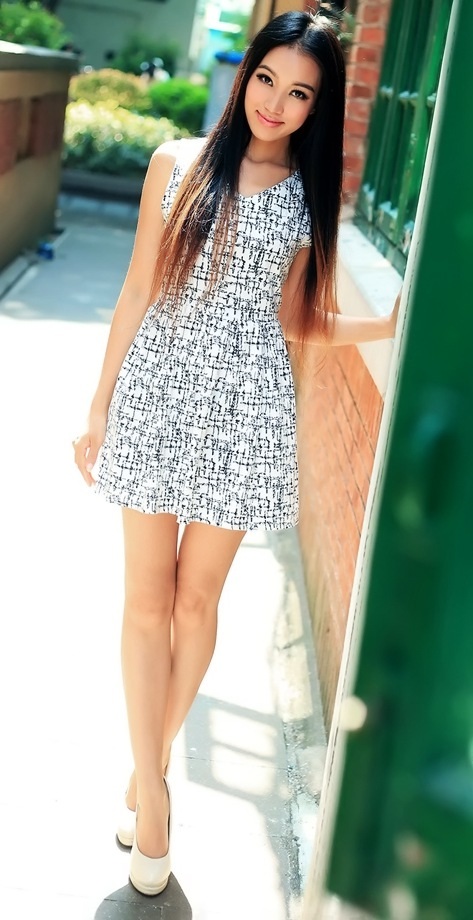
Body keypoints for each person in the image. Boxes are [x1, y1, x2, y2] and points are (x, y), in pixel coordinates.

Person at [72, 9, 400, 897]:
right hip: (157, 393)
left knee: (194, 602)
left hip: (246, 410)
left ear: (316, 108)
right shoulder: (174, 163)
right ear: (245, 71)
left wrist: (381, 323)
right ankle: (155, 793)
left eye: (300, 94)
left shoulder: (303, 196)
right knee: (146, 602)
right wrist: (99, 407)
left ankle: (146, 773)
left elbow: (297, 319)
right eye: (267, 79)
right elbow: (137, 288)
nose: (276, 104)